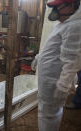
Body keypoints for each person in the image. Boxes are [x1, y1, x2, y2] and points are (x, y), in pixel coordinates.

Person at [37, 0, 81, 130]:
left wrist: (63, 86)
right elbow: (53, 47)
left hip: (53, 79)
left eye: (58, 7)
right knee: (45, 111)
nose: (55, 12)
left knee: (49, 114)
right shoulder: (63, 23)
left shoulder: (75, 26)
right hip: (48, 76)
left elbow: (72, 60)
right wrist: (39, 57)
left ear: (72, 5)